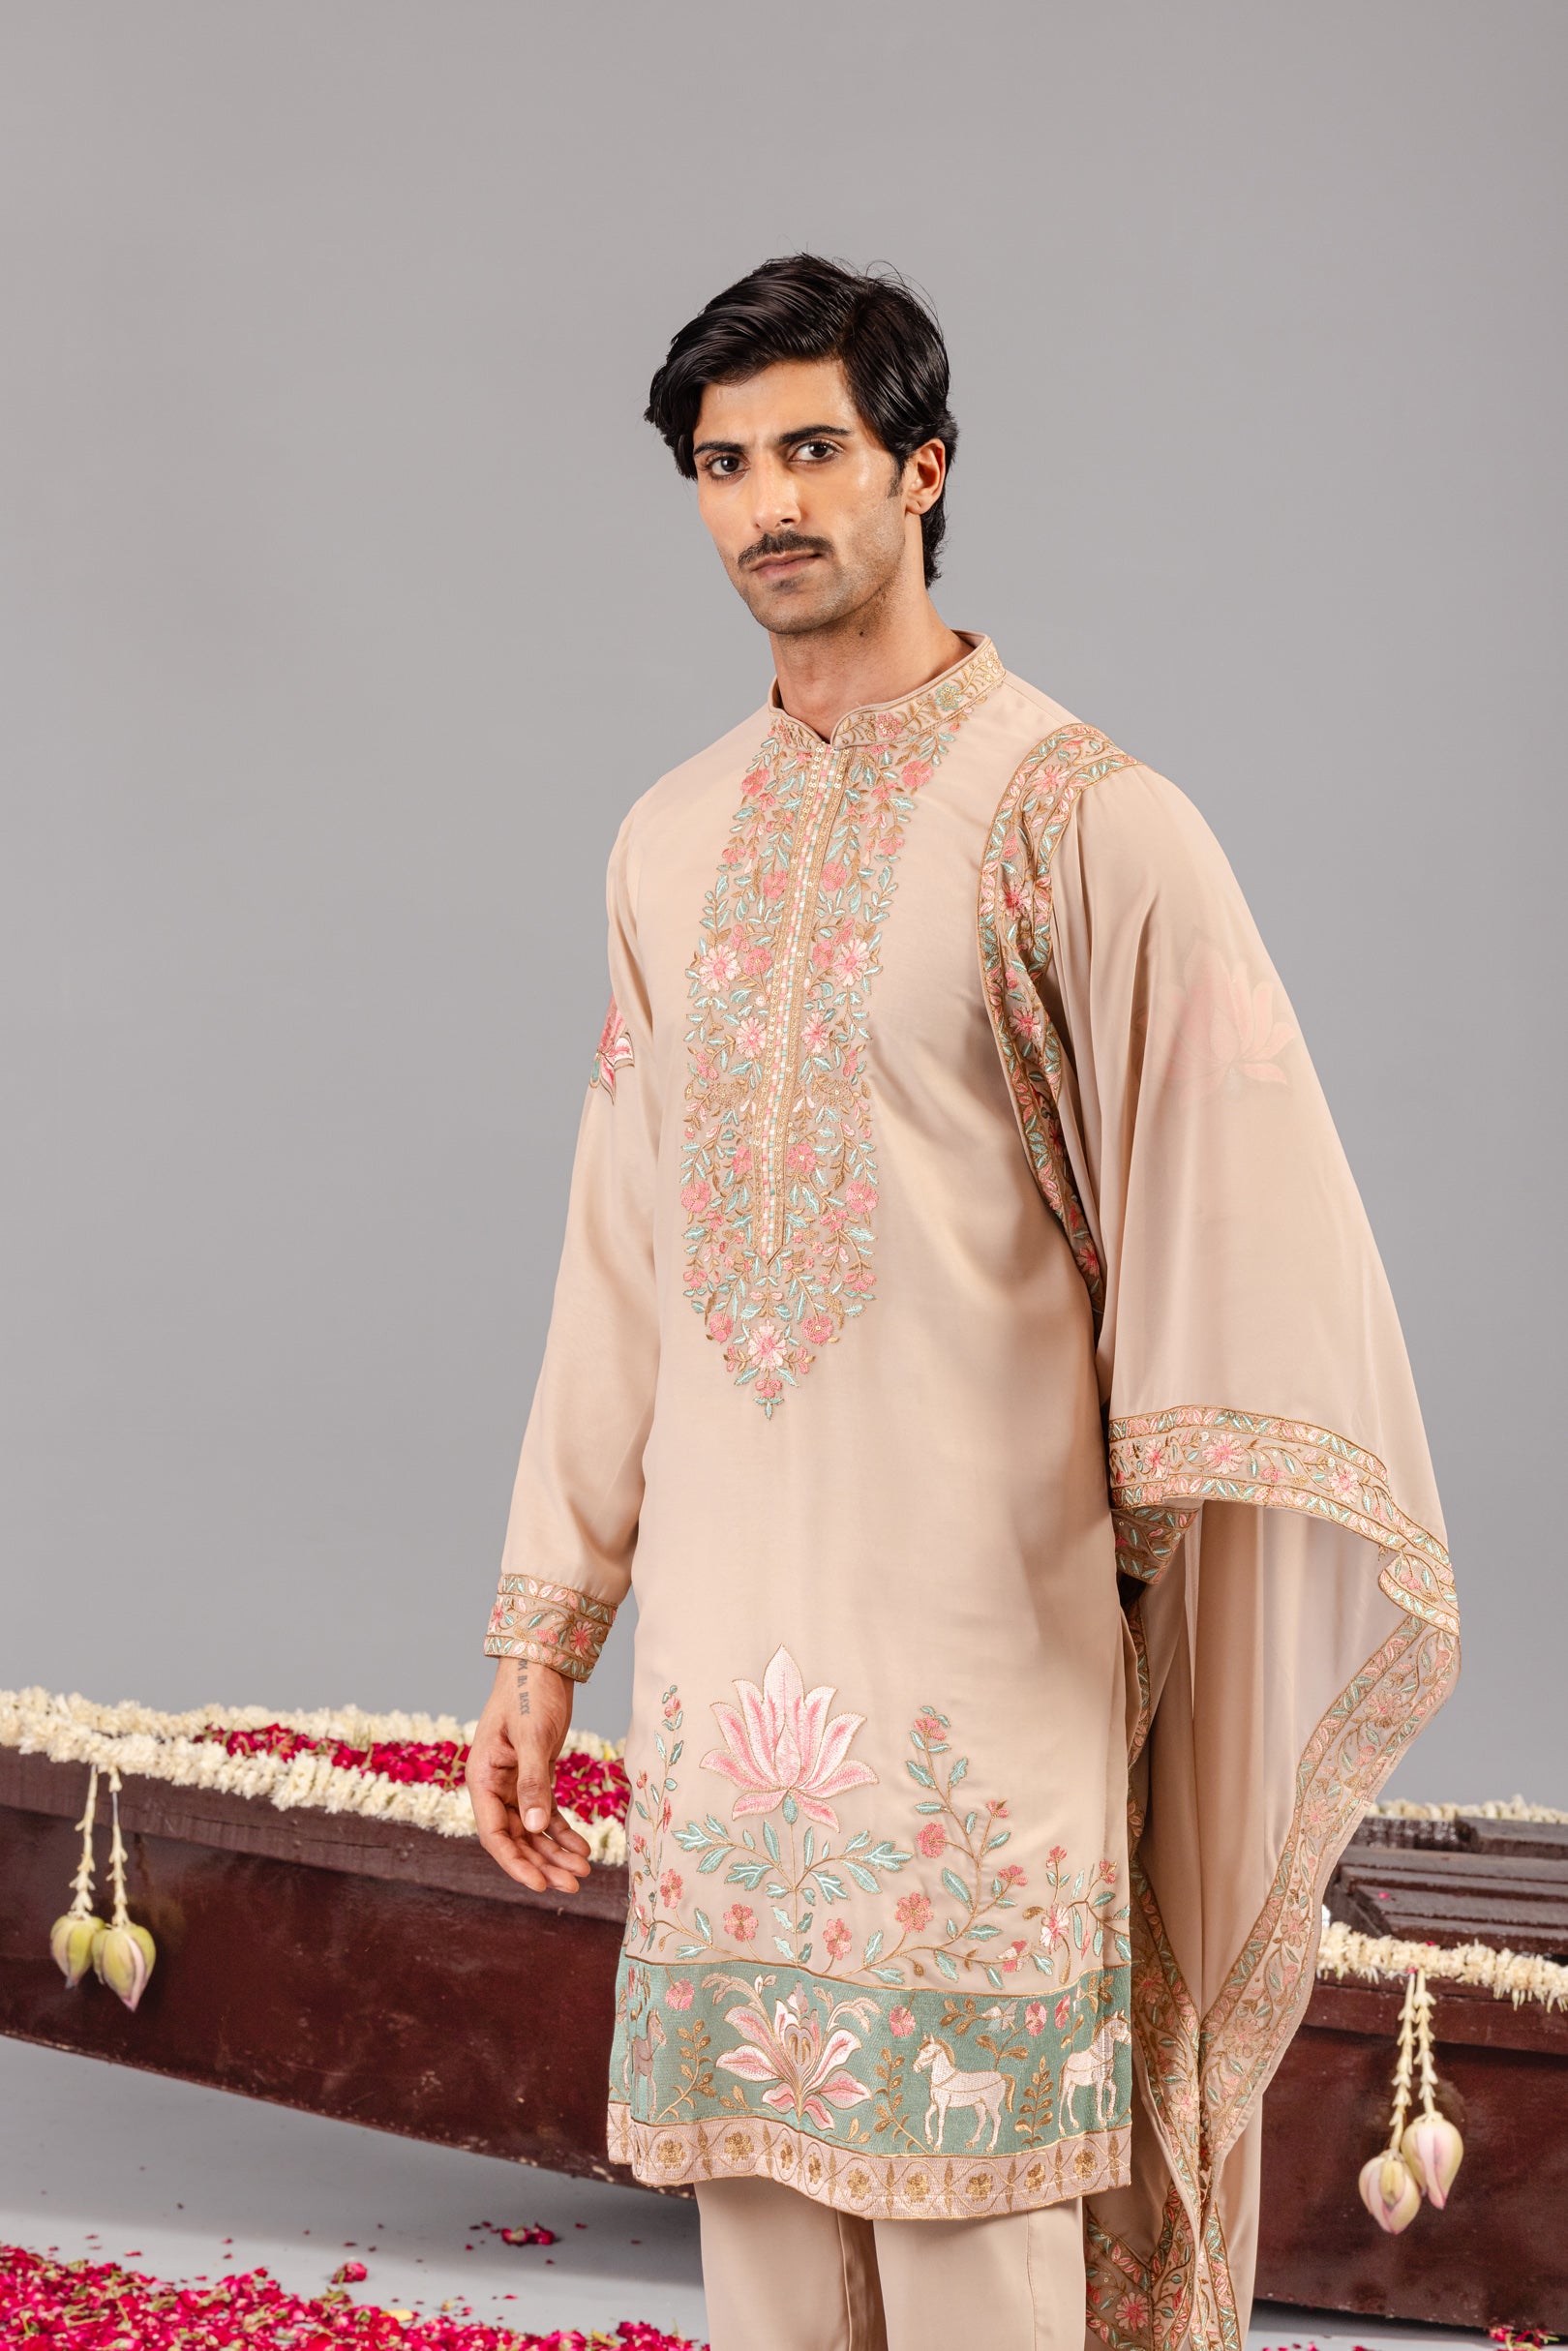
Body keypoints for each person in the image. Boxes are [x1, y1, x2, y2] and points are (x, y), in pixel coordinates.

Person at [463, 255, 1459, 2351]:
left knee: (981, 2223)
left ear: (923, 468)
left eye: (813, 449)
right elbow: (622, 1248)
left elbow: (1240, 1207)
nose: (767, 505)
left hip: (985, 1663)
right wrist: (547, 1623)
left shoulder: (1085, 822)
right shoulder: (666, 843)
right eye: (722, 465)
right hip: (732, 1687)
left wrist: (1147, 1563)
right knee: (759, 2220)